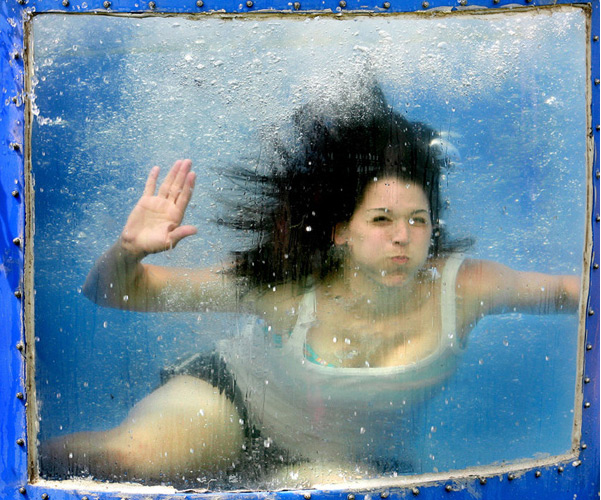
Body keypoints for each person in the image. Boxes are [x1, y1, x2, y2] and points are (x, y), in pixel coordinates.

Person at [42, 90, 581, 488]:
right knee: (129, 460)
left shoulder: (464, 288)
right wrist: (130, 251)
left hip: (348, 462)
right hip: (233, 406)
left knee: (328, 488)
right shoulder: (287, 288)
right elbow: (112, 293)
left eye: (419, 220)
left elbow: (571, 289)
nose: (402, 237)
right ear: (340, 231)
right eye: (381, 219)